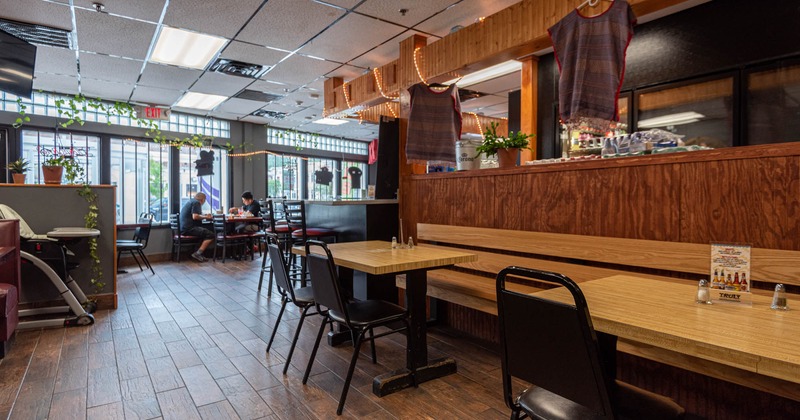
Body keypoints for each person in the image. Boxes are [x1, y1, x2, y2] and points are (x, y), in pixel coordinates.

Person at [179, 192, 214, 262]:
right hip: (189, 229)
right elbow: (195, 216)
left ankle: (198, 254)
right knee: (211, 235)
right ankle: (198, 253)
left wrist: (204, 216)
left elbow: (195, 215)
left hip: (184, 228)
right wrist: (206, 217)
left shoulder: (190, 201)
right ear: (203, 199)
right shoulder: (196, 203)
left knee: (204, 233)